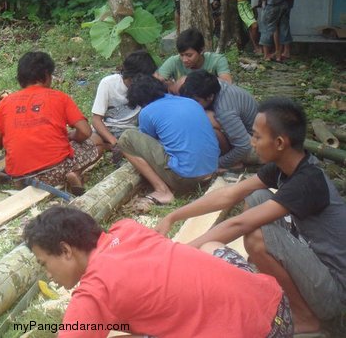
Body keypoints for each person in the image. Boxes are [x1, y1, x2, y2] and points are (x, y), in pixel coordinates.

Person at [156, 97, 346, 336]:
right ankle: (276, 291)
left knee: (257, 234)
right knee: (258, 196)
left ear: (279, 142)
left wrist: (178, 255)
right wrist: (172, 217)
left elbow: (241, 223)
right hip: (315, 265)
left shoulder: (308, 180)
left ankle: (305, 317)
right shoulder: (284, 167)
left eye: (257, 136)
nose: (251, 142)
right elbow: (229, 195)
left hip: (333, 291)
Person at [23, 206, 293, 338]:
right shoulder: (127, 229)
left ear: (66, 250)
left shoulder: (95, 292)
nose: (48, 274)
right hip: (279, 307)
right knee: (210, 247)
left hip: (263, 334)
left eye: (44, 263)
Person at [0, 51, 98, 195]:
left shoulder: (5, 102)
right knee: (94, 142)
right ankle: (75, 172)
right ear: (47, 75)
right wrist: (72, 137)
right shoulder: (60, 97)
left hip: (19, 178)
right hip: (54, 172)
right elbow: (85, 131)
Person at [118, 74, 219, 204]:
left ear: (140, 101)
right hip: (211, 172)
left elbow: (148, 143)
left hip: (186, 179)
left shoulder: (147, 112)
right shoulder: (190, 102)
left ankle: (162, 191)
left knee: (127, 138)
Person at [180, 70, 259, 171]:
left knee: (207, 121)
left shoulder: (224, 110)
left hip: (255, 147)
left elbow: (243, 147)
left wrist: (217, 164)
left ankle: (234, 163)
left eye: (196, 101)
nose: (192, 105)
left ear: (210, 97)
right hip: (246, 135)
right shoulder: (213, 85)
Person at [90, 50, 157, 156]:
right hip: (107, 130)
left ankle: (117, 148)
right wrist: (114, 142)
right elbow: (96, 120)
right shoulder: (108, 83)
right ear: (131, 77)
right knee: (90, 140)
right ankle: (115, 147)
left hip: (131, 132)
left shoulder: (146, 87)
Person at [154, 28, 232, 94]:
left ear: (201, 50)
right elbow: (155, 82)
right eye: (181, 55)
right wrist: (169, 86)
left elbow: (227, 83)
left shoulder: (217, 60)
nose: (184, 60)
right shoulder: (174, 61)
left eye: (189, 55)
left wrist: (185, 81)